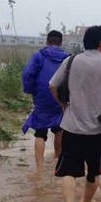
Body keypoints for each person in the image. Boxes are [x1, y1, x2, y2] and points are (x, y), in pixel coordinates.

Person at [49, 25, 101, 202]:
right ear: (100, 43)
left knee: (68, 172)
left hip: (71, 127)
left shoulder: (71, 61)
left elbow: (52, 85)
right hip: (97, 131)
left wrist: (64, 106)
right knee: (93, 173)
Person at [22, 30, 69, 172]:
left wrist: (30, 90)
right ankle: (57, 161)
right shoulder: (67, 58)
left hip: (42, 97)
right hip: (60, 98)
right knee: (59, 130)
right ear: (60, 43)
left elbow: (28, 74)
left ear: (47, 42)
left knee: (40, 132)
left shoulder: (39, 56)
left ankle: (39, 168)